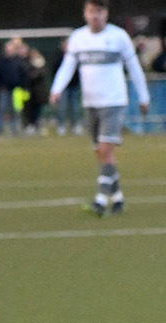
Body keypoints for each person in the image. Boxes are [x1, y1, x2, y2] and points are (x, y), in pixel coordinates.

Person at [50, 0, 151, 215]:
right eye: (90, 11)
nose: (95, 15)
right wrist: (56, 89)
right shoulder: (78, 38)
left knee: (105, 149)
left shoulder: (119, 37)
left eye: (99, 11)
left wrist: (144, 96)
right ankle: (118, 198)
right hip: (90, 103)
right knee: (102, 153)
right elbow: (68, 66)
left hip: (113, 102)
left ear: (106, 13)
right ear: (84, 13)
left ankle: (100, 200)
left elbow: (133, 67)